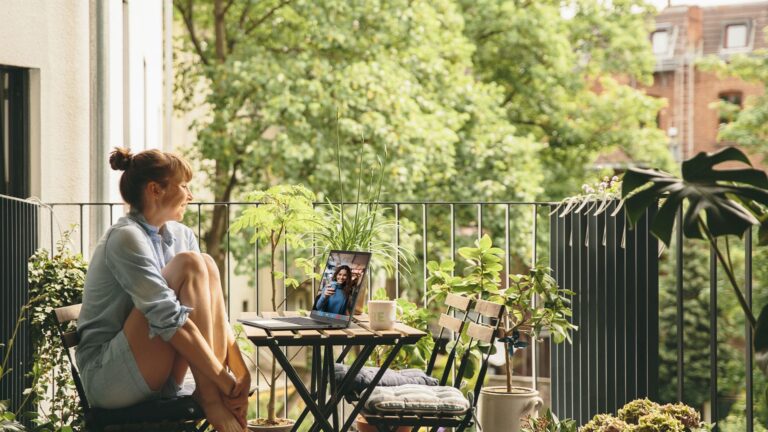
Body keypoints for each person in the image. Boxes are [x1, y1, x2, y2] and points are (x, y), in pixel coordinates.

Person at [75, 148, 249, 432]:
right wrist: (223, 383)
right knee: (191, 264)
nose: (190, 196)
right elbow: (168, 320)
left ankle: (215, 399)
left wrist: (241, 374)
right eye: (184, 186)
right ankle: (212, 402)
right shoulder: (126, 238)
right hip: (109, 378)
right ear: (155, 189)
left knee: (205, 263)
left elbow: (212, 314)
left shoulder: (182, 235)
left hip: (156, 369)